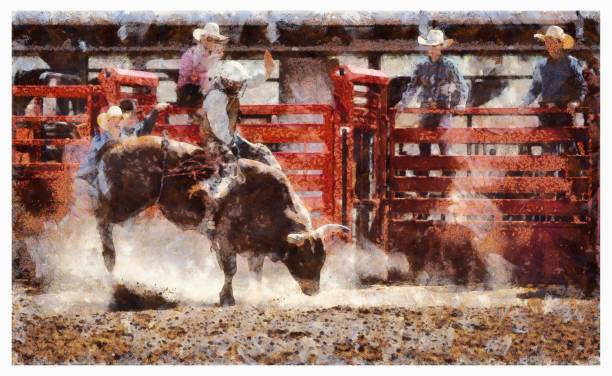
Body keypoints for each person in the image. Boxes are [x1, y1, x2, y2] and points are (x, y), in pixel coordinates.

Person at [395, 29, 469, 165]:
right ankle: (425, 176)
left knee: (444, 141)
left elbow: (462, 86)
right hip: (426, 110)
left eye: (435, 45)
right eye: (430, 45)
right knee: (423, 142)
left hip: (443, 110)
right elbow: (412, 87)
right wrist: (403, 103)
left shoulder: (449, 65)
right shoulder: (421, 66)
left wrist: (462, 103)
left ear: (441, 47)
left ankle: (447, 175)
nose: (433, 49)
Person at [520, 25, 587, 156]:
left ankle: (572, 166)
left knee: (569, 149)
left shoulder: (572, 63)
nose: (550, 46)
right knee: (548, 149)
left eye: (553, 42)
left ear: (561, 44)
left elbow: (582, 87)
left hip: (564, 114)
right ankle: (550, 171)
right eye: (547, 43)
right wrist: (524, 103)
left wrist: (575, 102)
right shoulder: (541, 65)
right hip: (546, 115)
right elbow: (535, 89)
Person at [77, 101, 170, 186]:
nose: (131, 118)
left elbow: (145, 126)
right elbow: (90, 166)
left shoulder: (132, 133)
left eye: (132, 115)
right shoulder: (100, 141)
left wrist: (155, 111)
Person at [176, 23, 229, 107]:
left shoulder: (214, 56)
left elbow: (215, 72)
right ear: (202, 38)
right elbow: (186, 75)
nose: (211, 42)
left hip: (206, 91)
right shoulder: (190, 54)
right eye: (209, 39)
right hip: (189, 92)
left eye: (214, 40)